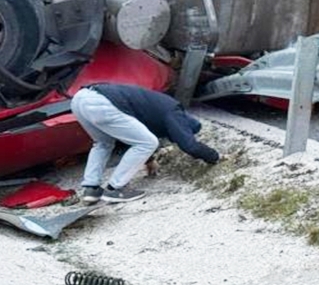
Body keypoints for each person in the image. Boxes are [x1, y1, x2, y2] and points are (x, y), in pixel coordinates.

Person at [70, 82, 220, 203]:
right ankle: (115, 189)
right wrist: (215, 157)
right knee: (148, 142)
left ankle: (91, 188)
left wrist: (149, 160)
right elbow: (190, 146)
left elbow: (132, 135)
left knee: (102, 144)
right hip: (102, 103)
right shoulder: (175, 112)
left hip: (80, 99)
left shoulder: (158, 109)